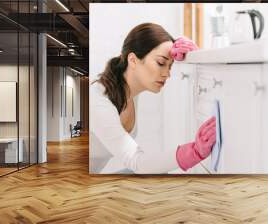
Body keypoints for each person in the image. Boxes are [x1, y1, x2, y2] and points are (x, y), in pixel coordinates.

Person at [90, 23, 216, 174]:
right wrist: (194, 152)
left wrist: (192, 54)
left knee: (160, 171)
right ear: (133, 60)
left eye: (170, 66)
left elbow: (182, 78)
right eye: (161, 63)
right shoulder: (99, 101)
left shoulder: (128, 90)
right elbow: (137, 162)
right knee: (155, 172)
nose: (167, 74)